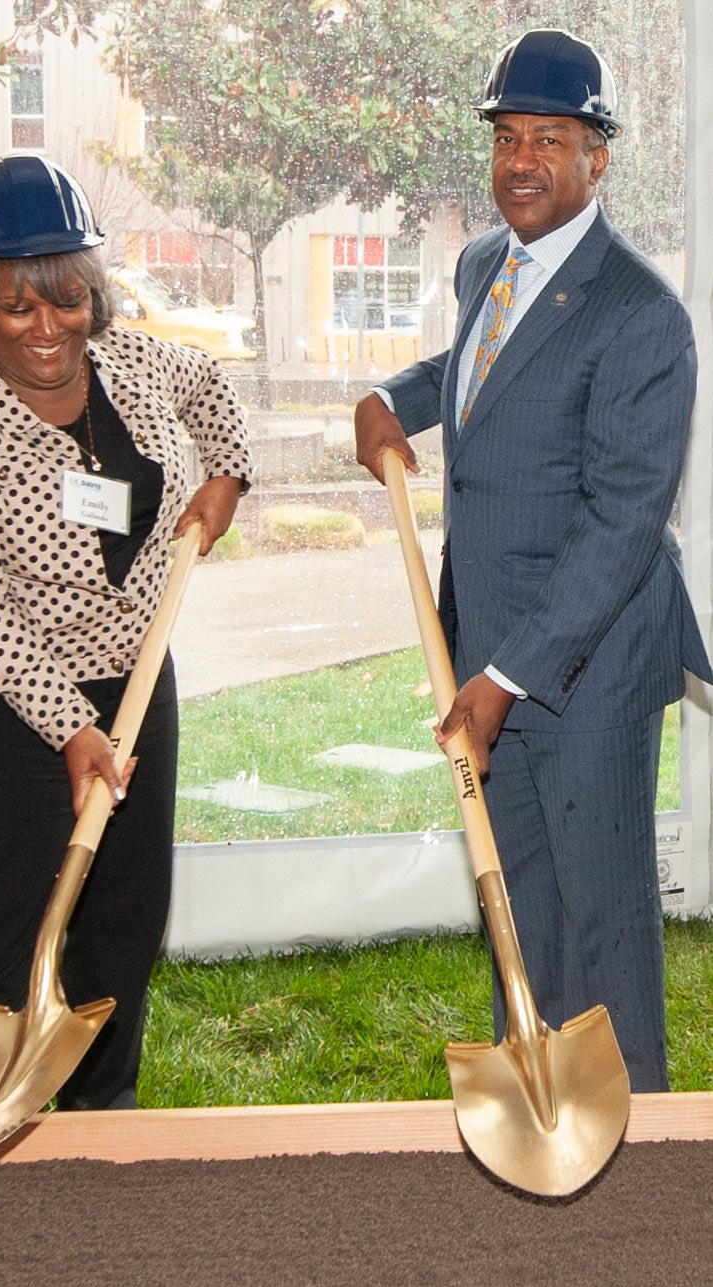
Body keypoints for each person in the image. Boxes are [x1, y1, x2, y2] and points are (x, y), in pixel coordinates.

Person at [354, 28, 712, 1093]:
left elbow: (622, 524)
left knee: (600, 914)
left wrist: (506, 680)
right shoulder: (484, 263)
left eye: (549, 139)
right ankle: (545, 1099)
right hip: (492, 642)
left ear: (598, 158)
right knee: (518, 896)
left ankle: (633, 1131)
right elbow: (478, 367)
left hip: (583, 667)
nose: (520, 161)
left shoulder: (643, 316)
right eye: (508, 136)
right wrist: (398, 400)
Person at [0, 154, 253, 1110]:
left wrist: (227, 475)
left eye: (66, 301)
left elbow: (212, 388)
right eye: (15, 307)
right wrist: (70, 729)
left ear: (93, 293)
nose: (46, 329)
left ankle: (102, 1120)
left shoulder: (136, 365)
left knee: (123, 914)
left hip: (133, 686)